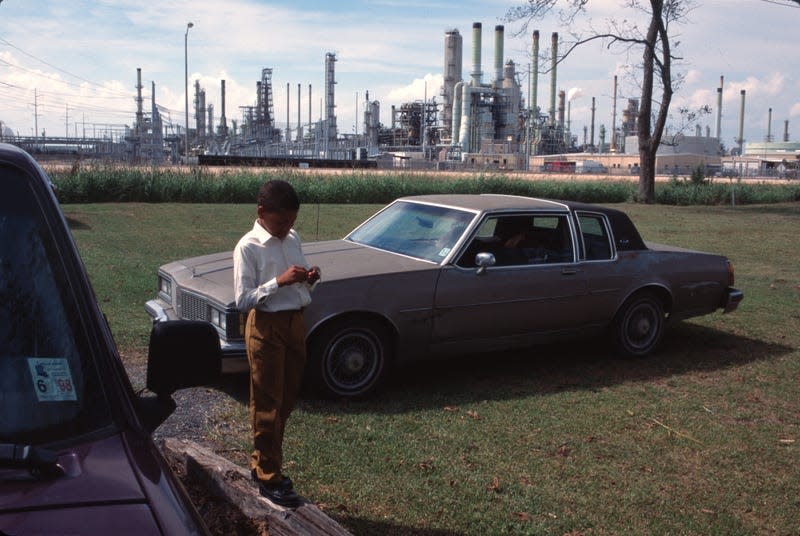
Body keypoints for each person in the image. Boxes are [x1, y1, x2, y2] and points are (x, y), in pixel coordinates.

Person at [233, 179, 320, 508]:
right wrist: (277, 282)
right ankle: (269, 475)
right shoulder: (249, 246)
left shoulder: (292, 238)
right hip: (266, 326)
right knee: (267, 402)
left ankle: (261, 462)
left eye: (292, 221)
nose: (288, 228)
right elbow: (243, 300)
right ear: (261, 212)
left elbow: (297, 285)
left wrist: (308, 280)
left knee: (285, 398)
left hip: (295, 321)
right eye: (282, 221)